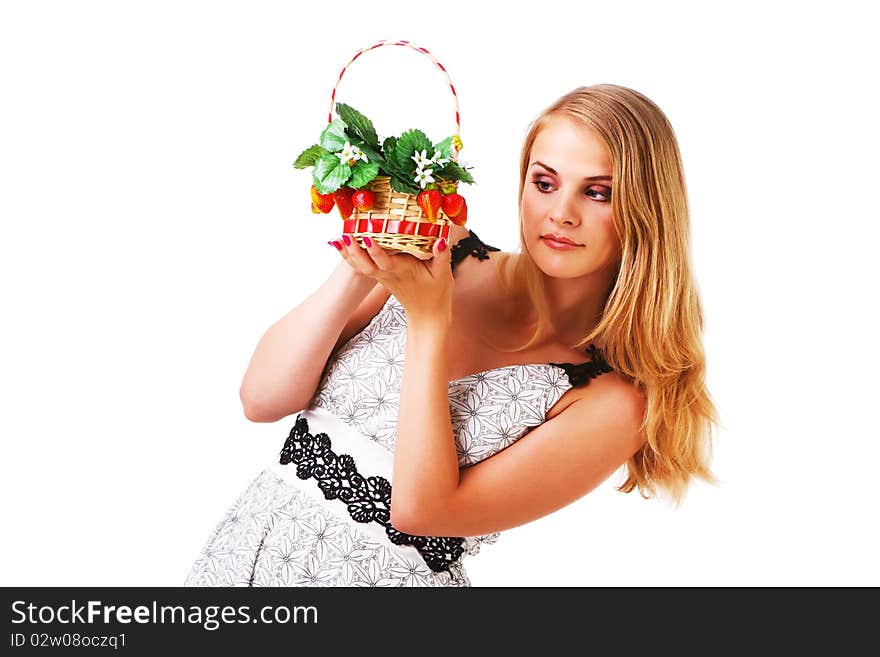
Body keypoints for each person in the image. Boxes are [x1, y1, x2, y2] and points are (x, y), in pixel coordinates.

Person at [184, 84, 719, 587]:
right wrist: (362, 259)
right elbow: (262, 399)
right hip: (243, 558)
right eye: (545, 182)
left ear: (647, 212)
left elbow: (423, 513)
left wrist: (429, 321)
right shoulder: (446, 251)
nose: (561, 214)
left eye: (598, 193)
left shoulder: (614, 403)